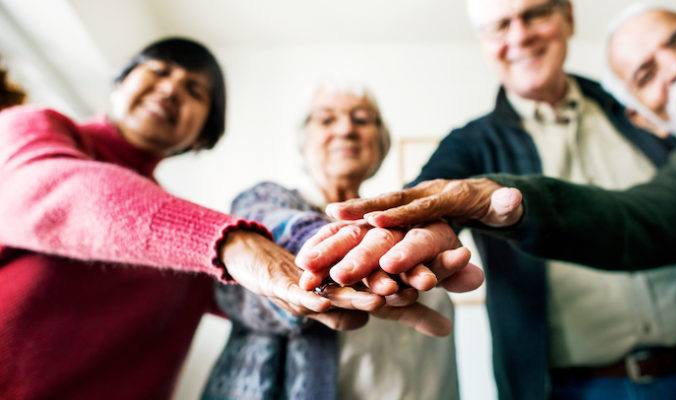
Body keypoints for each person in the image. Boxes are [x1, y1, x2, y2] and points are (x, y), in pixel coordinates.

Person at [315, 5, 676, 399]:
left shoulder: (635, 113)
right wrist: (418, 222)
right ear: (486, 44)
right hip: (580, 386)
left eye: (534, 15)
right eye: (500, 26)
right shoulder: (474, 141)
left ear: (566, 17)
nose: (520, 36)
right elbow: (627, 219)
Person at [0, 39, 458, 400]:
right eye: (158, 70)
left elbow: (241, 294)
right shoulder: (33, 130)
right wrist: (238, 244)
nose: (170, 89)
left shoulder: (412, 234)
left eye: (194, 90)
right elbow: (65, 193)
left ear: (203, 131)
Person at [202, 81, 478, 400]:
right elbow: (265, 237)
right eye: (327, 119)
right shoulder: (265, 200)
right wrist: (332, 246)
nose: (346, 129)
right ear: (304, 141)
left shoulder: (410, 227)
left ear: (381, 142)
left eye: (361, 119)